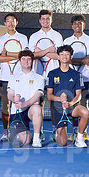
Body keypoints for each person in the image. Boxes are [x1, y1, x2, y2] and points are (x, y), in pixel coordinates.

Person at [0, 13, 29, 142]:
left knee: (21, 104)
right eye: (8, 21)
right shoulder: (0, 39)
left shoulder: (23, 38)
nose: (10, 23)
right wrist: (17, 55)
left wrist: (7, 53)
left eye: (12, 21)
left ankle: (21, 130)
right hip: (4, 78)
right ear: (5, 24)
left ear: (16, 23)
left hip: (21, 78)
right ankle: (5, 131)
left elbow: (25, 55)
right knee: (5, 105)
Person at [28, 9, 64, 140]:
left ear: (51, 20)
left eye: (48, 18)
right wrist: (49, 50)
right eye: (43, 19)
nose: (45, 21)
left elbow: (59, 56)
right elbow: (32, 56)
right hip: (37, 75)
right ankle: (40, 131)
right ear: (39, 20)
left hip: (54, 75)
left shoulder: (57, 36)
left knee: (54, 103)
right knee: (39, 103)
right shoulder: (34, 36)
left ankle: (55, 131)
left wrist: (41, 52)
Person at [46, 45, 89, 148]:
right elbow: (49, 96)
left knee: (85, 112)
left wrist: (70, 103)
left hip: (72, 107)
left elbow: (78, 95)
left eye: (67, 54)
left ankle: (79, 138)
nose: (64, 56)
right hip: (59, 108)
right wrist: (60, 99)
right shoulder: (52, 74)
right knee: (63, 142)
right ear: (58, 57)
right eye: (62, 54)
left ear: (71, 56)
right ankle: (57, 133)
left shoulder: (76, 74)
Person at [63, 14, 89, 142]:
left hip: (85, 78)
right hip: (70, 79)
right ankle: (75, 131)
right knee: (72, 106)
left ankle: (83, 132)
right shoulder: (67, 41)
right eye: (75, 23)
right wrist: (81, 60)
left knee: (83, 104)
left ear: (84, 25)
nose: (77, 25)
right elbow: (65, 59)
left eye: (80, 23)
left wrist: (73, 60)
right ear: (72, 26)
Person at [7, 50, 45, 148]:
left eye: (29, 59)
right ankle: (20, 133)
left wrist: (24, 104)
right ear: (20, 61)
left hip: (30, 109)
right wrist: (14, 99)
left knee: (37, 108)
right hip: (17, 111)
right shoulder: (13, 78)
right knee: (26, 141)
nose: (26, 61)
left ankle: (36, 138)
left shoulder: (39, 78)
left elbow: (37, 95)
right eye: (23, 59)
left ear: (32, 61)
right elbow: (9, 95)